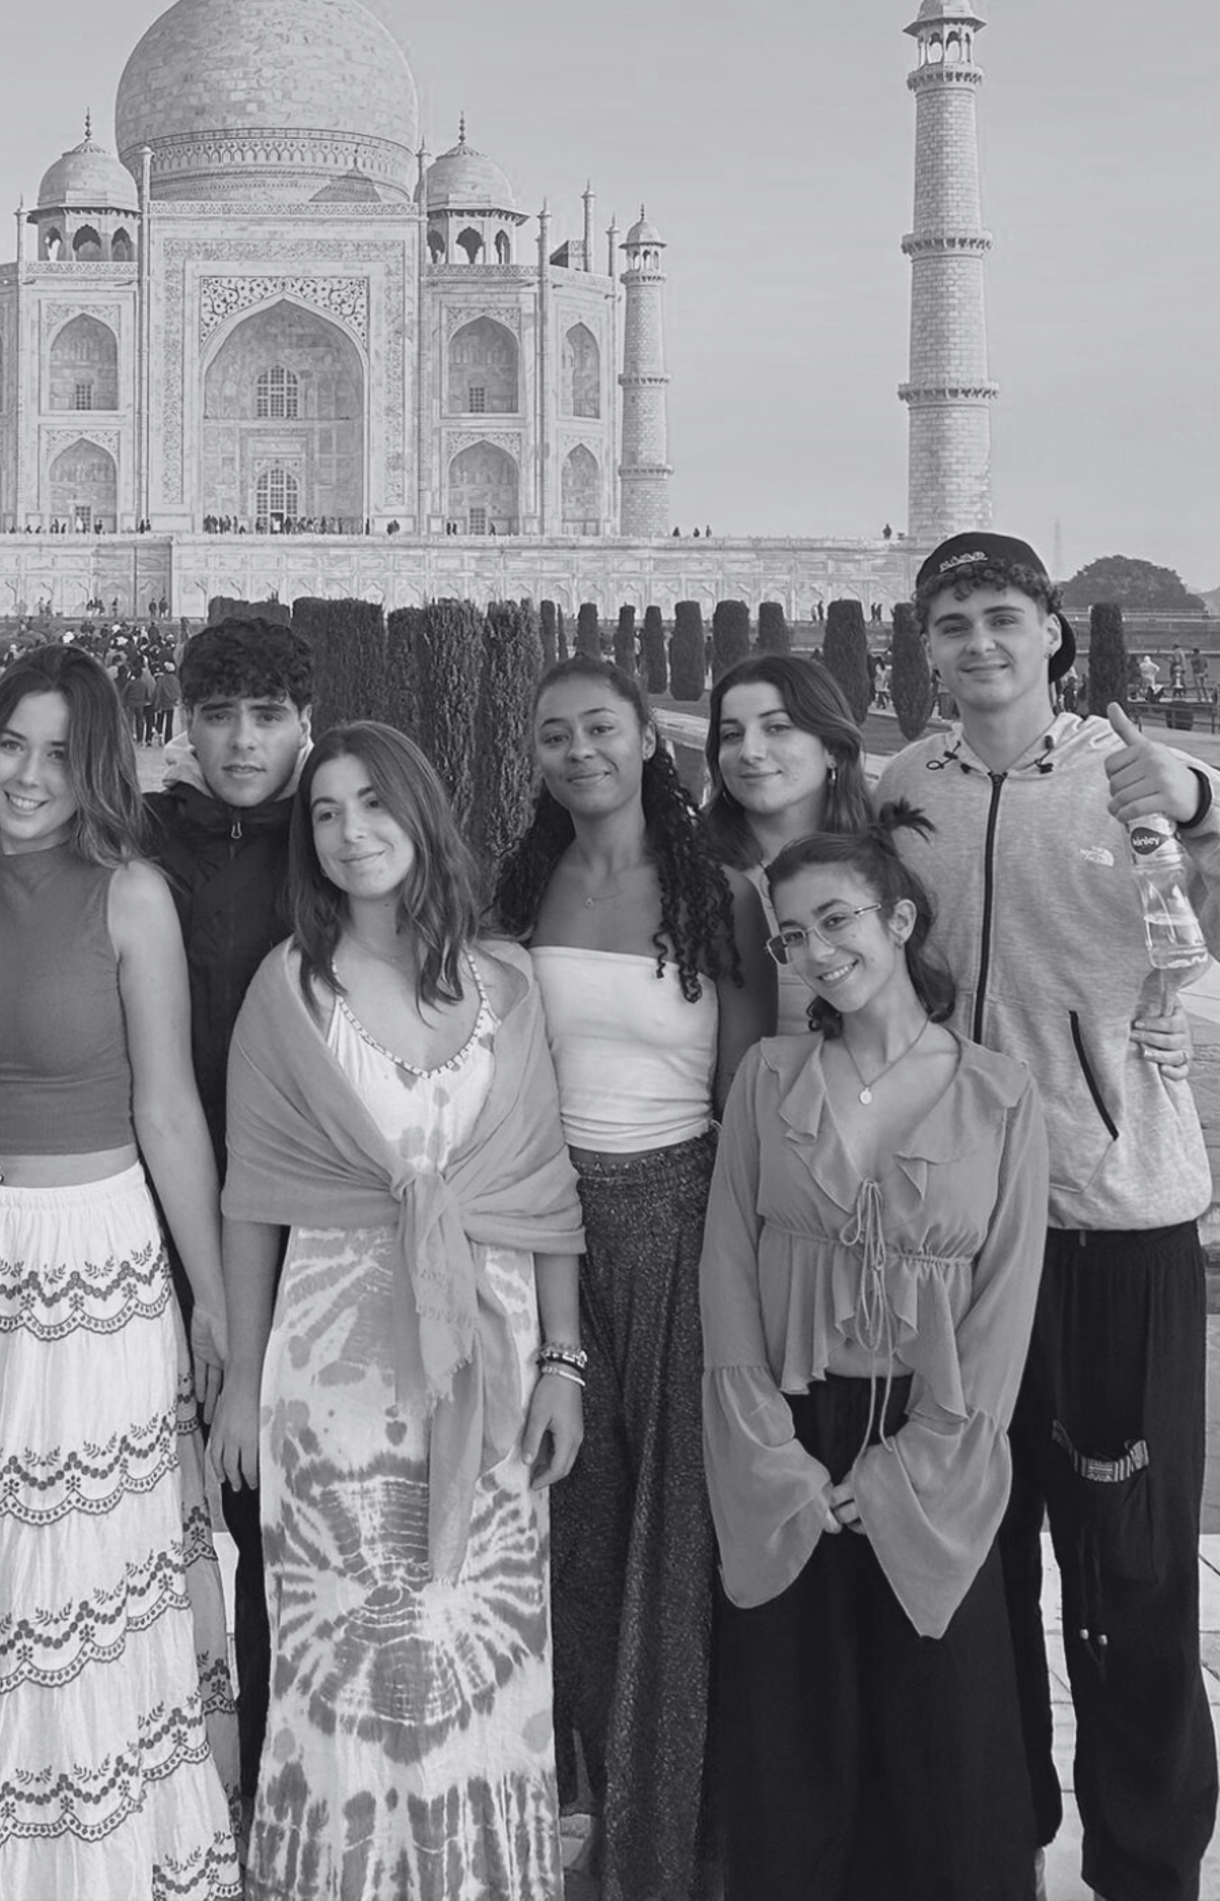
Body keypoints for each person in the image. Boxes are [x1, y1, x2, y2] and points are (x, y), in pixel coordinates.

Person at [0, 644, 239, 1897]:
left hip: (88, 1262)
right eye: (11, 745)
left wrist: (214, 1300)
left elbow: (171, 1112)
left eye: (62, 754)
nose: (30, 776)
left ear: (101, 769)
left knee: (63, 1587)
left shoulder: (129, 895)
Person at [880, 532, 1218, 1901]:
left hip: (1109, 1217)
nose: (976, 643)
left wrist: (1188, 788)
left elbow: (1188, 815)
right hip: (959, 1234)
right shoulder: (908, 783)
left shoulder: (1122, 768)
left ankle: (1144, 1863)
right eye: (951, 622)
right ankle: (996, 1838)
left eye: (1001, 617)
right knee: (978, 1556)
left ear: (1056, 635)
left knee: (1130, 1571)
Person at [214, 722, 587, 1898]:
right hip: (334, 1369)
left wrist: (564, 1364)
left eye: (371, 803)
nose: (349, 832)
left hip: (491, 1349)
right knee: (354, 1644)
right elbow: (254, 1196)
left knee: (478, 1643)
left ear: (421, 813)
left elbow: (542, 1188)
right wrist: (233, 1377)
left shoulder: (509, 984)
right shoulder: (291, 989)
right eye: (323, 813)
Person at [701, 812, 1047, 1900]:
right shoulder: (766, 1080)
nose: (814, 950)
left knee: (943, 1739)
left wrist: (918, 1465)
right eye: (789, 936)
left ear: (900, 920)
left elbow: (1003, 1311)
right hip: (792, 1439)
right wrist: (775, 1459)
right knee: (795, 1736)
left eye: (837, 919)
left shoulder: (998, 1095)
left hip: (936, 1443)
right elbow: (728, 1277)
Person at [490, 656, 775, 1901]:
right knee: (570, 1536)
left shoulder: (716, 893)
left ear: (647, 741)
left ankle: (682, 1836)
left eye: (600, 728)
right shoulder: (521, 887)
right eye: (555, 735)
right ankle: (587, 1805)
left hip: (679, 1216)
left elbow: (748, 1089)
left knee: (677, 1547)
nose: (580, 752)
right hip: (546, 1230)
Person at [143, 613, 313, 1808]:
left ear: (304, 723)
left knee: (282, 1515)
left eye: (265, 716)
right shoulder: (145, 841)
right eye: (219, 715)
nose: (242, 741)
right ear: (186, 724)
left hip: (309, 1225)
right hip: (154, 1214)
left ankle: (283, 1778)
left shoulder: (348, 835)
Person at [702, 652, 879, 1033]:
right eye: (731, 735)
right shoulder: (688, 871)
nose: (750, 752)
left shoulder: (886, 864)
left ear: (832, 747)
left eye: (777, 728)